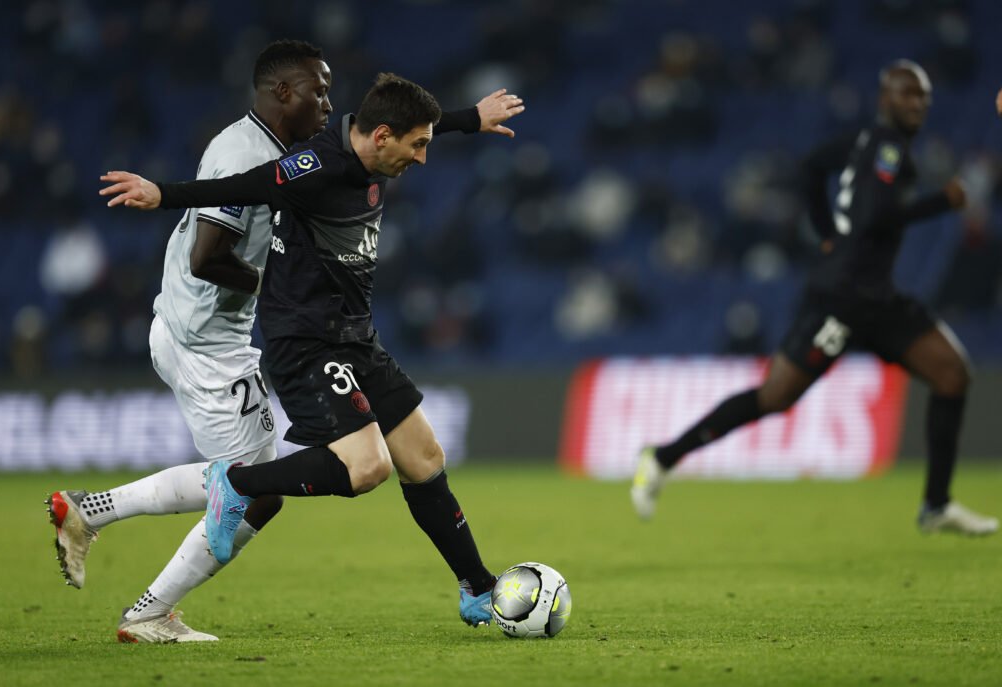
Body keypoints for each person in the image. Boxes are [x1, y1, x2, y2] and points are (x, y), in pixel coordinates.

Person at [52, 43, 524, 642]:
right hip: (228, 338)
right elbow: (223, 225)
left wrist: (469, 119)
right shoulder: (288, 163)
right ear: (283, 94)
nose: (328, 103)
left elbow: (402, 124)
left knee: (423, 457)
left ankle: (478, 588)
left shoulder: (340, 140)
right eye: (316, 91)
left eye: (330, 92)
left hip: (346, 334)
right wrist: (162, 195)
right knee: (275, 483)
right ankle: (149, 608)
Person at [631, 59, 998, 537]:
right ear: (886, 98)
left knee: (951, 375)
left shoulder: (863, 142)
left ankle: (936, 504)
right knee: (775, 396)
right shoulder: (887, 149)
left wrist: (826, 232)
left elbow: (812, 168)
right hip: (841, 299)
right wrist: (940, 202)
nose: (919, 105)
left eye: (924, 97)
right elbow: (873, 216)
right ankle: (662, 458)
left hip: (877, 298)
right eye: (909, 95)